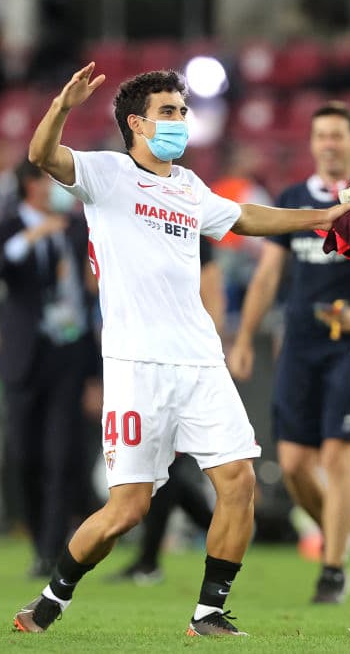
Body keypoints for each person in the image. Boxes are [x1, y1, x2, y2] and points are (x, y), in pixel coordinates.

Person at [11, 64, 350, 637]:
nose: (179, 120)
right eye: (168, 112)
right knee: (128, 510)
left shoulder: (189, 187)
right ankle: (54, 596)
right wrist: (62, 106)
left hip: (200, 361)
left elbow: (246, 216)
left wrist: (321, 216)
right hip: (135, 367)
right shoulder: (108, 175)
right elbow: (43, 156)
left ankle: (209, 612)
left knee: (240, 481)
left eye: (182, 110)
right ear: (136, 124)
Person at [228, 102, 350, 604]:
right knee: (292, 464)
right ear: (312, 144)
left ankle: (333, 569)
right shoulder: (293, 201)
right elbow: (268, 274)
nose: (330, 144)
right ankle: (337, 532)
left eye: (338, 135)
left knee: (337, 457)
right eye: (322, 136)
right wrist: (245, 337)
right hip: (299, 343)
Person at [0, 159, 100, 578]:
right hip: (23, 356)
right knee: (24, 456)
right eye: (50, 181)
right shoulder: (6, 227)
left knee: (60, 456)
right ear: (30, 186)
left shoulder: (74, 227)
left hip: (67, 355)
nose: (57, 189)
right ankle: (37, 536)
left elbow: (87, 299)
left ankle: (50, 551)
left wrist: (94, 373)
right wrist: (31, 237)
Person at [110, 239, 225, 584]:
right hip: (142, 361)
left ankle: (149, 559)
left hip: (182, 362)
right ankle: (224, 525)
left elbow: (212, 290)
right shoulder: (127, 218)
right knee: (165, 468)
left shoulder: (188, 222)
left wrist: (209, 354)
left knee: (165, 465)